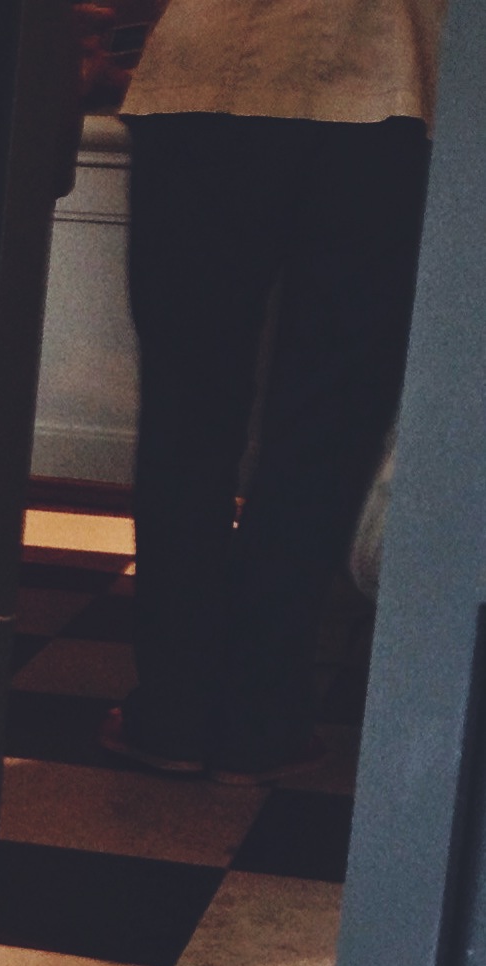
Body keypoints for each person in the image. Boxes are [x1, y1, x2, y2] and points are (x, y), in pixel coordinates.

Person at [101, 0, 447, 784]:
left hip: (211, 79)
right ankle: (262, 713)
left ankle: (174, 711)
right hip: (388, 92)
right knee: (328, 418)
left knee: (188, 411)